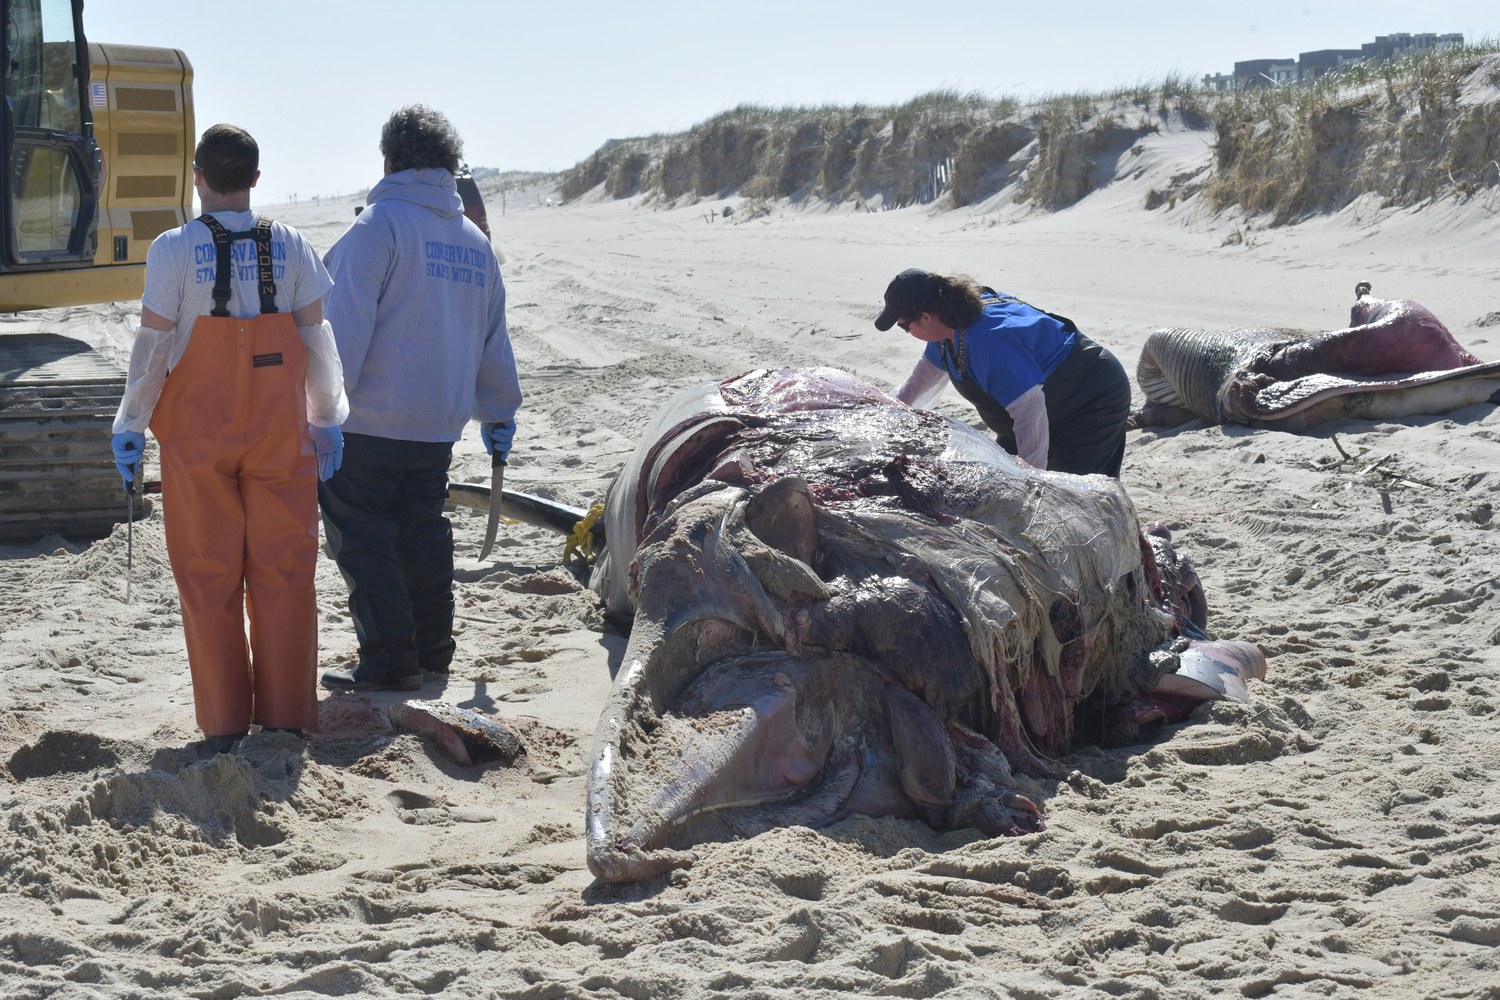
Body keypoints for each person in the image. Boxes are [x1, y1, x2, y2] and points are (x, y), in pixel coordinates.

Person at [109, 124, 349, 753]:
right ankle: (288, 716)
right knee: (286, 572)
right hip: (279, 436)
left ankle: (222, 725)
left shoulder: (170, 250)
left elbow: (154, 348)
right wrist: (326, 418)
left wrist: (130, 425)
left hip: (197, 439)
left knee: (208, 575)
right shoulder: (293, 245)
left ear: (197, 178)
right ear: (256, 179)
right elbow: (317, 343)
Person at [317, 105, 519, 692]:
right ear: (450, 168)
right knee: (423, 532)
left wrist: (321, 414)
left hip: (370, 425)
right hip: (436, 426)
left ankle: (389, 662)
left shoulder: (376, 228)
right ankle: (431, 654)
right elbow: (493, 340)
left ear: (389, 160)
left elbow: (340, 336)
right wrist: (499, 411)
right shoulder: (474, 244)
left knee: (365, 537)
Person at [879, 269, 1131, 477]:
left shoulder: (988, 342)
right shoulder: (946, 328)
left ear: (925, 317)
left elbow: (1030, 412)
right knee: (998, 480)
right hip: (1040, 409)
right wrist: (881, 419)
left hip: (1090, 396)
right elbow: (917, 385)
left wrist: (1031, 480)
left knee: (1072, 497)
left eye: (904, 327)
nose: (908, 332)